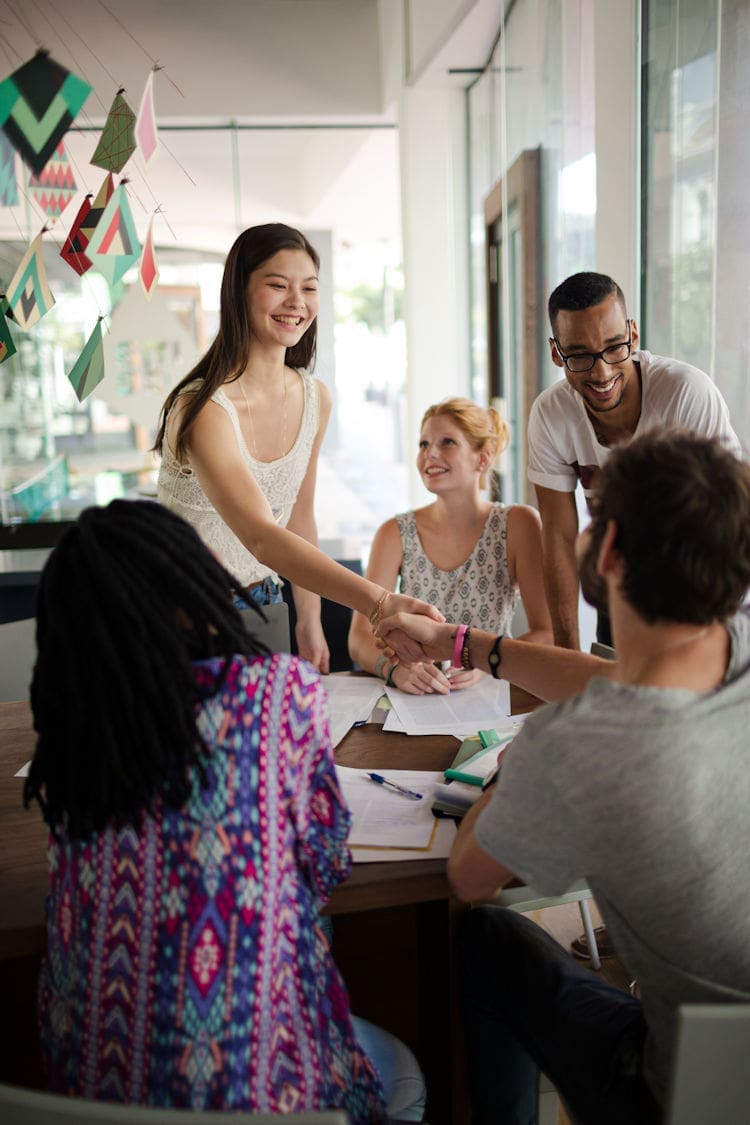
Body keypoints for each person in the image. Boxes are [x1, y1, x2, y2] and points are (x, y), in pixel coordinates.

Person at [377, 430, 750, 1124]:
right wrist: (466, 644)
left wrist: (512, 771)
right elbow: (620, 678)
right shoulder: (734, 650)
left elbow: (468, 875)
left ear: (607, 551)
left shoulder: (577, 746)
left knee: (486, 939)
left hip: (679, 1099)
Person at [24, 499, 426, 1122]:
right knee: (406, 1069)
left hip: (90, 1097)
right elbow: (323, 863)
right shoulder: (273, 692)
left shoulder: (72, 739)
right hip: (261, 1091)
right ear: (188, 585)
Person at [154, 222, 440, 672]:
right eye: (277, 285)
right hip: (176, 615)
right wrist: (378, 602)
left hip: (264, 605)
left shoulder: (314, 398)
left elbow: (298, 516)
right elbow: (262, 536)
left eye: (309, 287)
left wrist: (308, 617)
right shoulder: (204, 409)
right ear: (239, 292)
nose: (296, 302)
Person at [528, 270, 741, 651]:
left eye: (614, 347)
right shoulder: (550, 415)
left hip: (703, 583)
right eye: (579, 355)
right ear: (556, 353)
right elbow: (559, 537)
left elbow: (724, 526)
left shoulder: (686, 394)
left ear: (634, 335)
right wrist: (566, 653)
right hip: (624, 588)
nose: (602, 371)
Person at [348, 397, 552, 693]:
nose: (430, 453)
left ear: (482, 459)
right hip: (416, 700)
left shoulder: (519, 524)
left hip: (493, 697)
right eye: (423, 444)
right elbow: (359, 639)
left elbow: (547, 634)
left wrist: (487, 662)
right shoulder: (393, 533)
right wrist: (395, 670)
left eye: (447, 443)